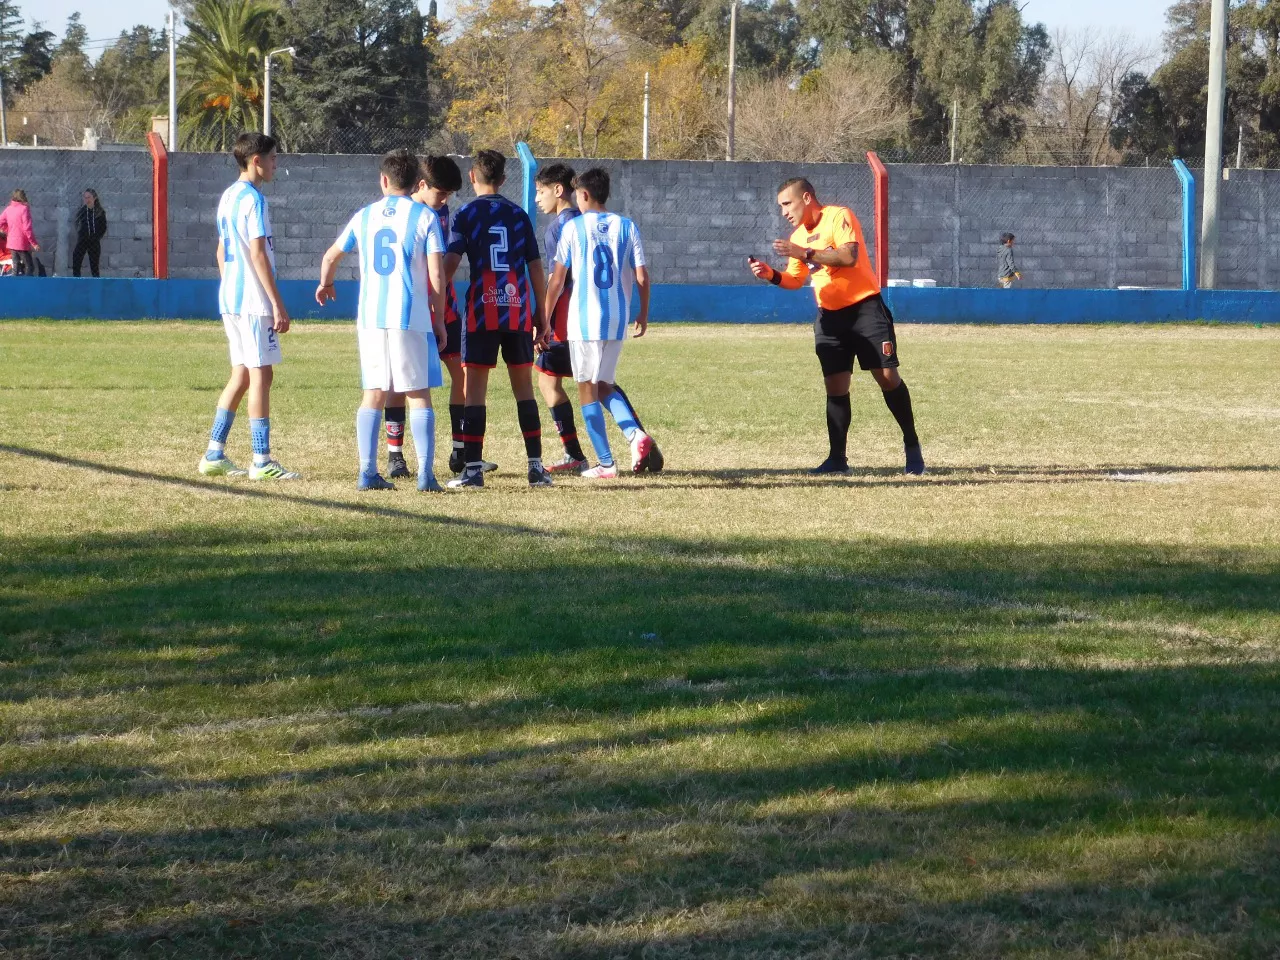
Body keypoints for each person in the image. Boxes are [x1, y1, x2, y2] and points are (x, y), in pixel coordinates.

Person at [748, 177, 924, 476]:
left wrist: (803, 253)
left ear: (806, 198)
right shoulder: (798, 237)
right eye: (780, 207)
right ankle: (837, 460)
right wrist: (770, 275)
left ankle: (912, 447)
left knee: (886, 377)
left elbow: (848, 257)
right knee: (836, 387)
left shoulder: (838, 216)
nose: (784, 212)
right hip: (829, 318)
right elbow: (794, 279)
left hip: (866, 309)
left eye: (787, 204)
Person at [317, 149, 449, 492]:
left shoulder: (364, 216)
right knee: (418, 394)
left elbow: (331, 255)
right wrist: (439, 318)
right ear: (414, 183)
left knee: (373, 393)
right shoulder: (424, 217)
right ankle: (425, 475)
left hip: (372, 318)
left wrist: (326, 283)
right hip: (411, 317)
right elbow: (437, 275)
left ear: (384, 180)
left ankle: (366, 472)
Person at [533, 163, 663, 474]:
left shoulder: (572, 229)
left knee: (586, 389)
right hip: (616, 319)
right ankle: (635, 435)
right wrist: (643, 313)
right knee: (604, 385)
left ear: (585, 194)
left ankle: (606, 463)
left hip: (584, 320)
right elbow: (643, 277)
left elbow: (556, 279)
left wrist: (546, 319)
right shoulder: (627, 226)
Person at [444, 149, 554, 490]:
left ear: (473, 177)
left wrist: (432, 291)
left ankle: (473, 471)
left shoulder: (465, 215)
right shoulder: (519, 216)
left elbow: (449, 263)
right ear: (504, 179)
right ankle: (536, 468)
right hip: (518, 308)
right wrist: (542, 314)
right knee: (524, 389)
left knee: (474, 391)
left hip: (481, 310)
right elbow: (536, 266)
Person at [199, 132, 299, 481]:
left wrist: (231, 285)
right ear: (256, 160)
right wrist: (276, 303)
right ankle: (262, 460)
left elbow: (220, 251)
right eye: (273, 158)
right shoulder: (254, 200)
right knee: (261, 375)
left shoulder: (228, 196)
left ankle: (214, 453)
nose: (276, 163)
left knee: (241, 375)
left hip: (231, 298)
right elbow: (257, 254)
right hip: (253, 301)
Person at [381, 155, 467, 480]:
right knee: (399, 382)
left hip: (444, 303)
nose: (445, 201)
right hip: (409, 308)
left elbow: (441, 265)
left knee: (460, 371)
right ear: (421, 185)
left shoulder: (439, 213)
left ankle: (460, 447)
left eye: (447, 195)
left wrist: (441, 303)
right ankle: (395, 455)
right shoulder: (403, 213)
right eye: (441, 194)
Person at [0, 190, 38, 277]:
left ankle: (14, 287)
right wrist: (34, 243)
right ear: (22, 197)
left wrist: (8, 230)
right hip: (21, 243)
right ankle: (26, 286)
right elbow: (27, 229)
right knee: (29, 267)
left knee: (15, 268)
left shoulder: (8, 209)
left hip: (11, 243)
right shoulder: (24, 209)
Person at [73, 189, 108, 278]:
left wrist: (96, 237)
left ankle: (96, 286)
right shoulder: (82, 211)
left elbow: (103, 228)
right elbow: (77, 224)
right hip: (83, 241)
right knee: (76, 259)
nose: (87, 200)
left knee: (94, 266)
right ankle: (77, 283)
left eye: (89, 197)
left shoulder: (100, 212)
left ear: (94, 198)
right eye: (85, 198)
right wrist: (81, 235)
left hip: (94, 242)